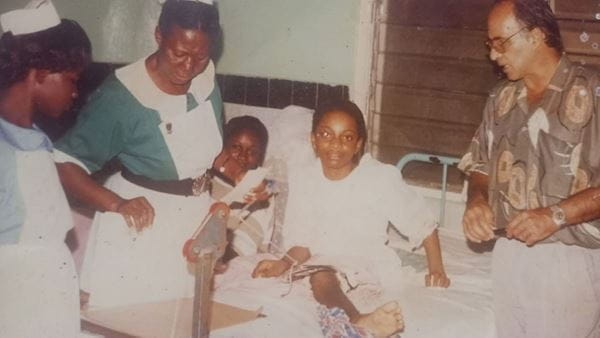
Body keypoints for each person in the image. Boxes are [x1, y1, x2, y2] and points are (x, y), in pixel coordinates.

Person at [54, 0, 225, 308]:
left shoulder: (205, 77)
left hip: (194, 219)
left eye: (200, 55)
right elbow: (64, 163)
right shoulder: (122, 95)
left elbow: (198, 155)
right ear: (158, 35)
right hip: (144, 222)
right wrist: (117, 204)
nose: (189, 66)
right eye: (179, 53)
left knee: (185, 319)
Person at [458, 0, 600, 337]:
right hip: (509, 254)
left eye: (501, 43)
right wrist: (477, 200)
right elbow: (480, 165)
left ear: (536, 35)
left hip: (569, 259)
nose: (494, 55)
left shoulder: (592, 91)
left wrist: (555, 215)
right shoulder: (501, 99)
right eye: (489, 45)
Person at [251, 100, 450, 337]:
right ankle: (360, 322)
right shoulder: (304, 178)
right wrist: (283, 264)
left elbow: (423, 223)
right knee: (321, 274)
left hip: (365, 262)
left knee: (321, 275)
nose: (335, 144)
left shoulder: (378, 178)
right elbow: (302, 241)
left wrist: (437, 269)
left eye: (346, 137)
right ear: (313, 140)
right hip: (323, 268)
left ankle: (356, 323)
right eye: (326, 134)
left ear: (358, 145)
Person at [0, 0, 91, 336]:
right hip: (16, 299)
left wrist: (62, 282)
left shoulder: (36, 140)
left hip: (48, 293)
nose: (75, 92)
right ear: (38, 75)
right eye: (71, 79)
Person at [210, 115, 274, 260]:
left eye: (252, 152)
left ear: (260, 158)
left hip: (227, 261)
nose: (243, 157)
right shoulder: (206, 182)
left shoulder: (261, 197)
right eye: (236, 147)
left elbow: (242, 250)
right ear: (222, 148)